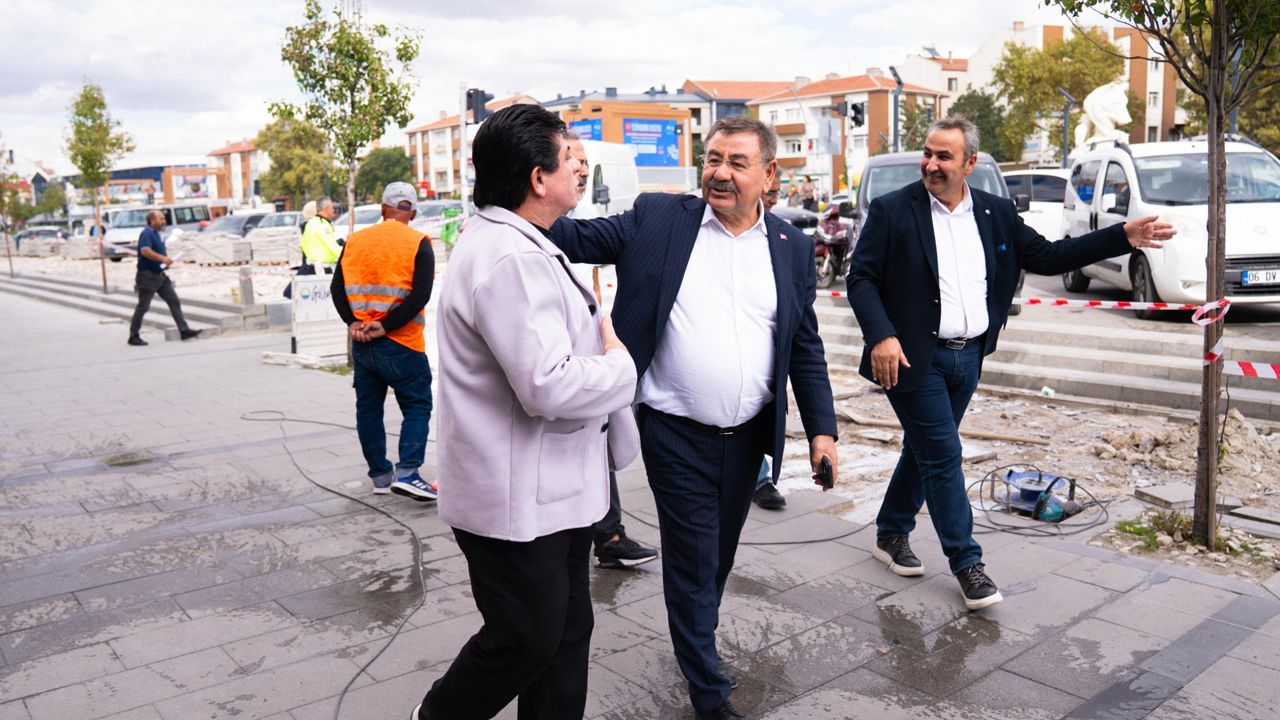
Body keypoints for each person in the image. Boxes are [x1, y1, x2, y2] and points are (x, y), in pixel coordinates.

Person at [551, 115, 839, 720]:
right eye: (712, 160)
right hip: (673, 430)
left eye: (737, 163)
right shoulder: (660, 219)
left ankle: (698, 641)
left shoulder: (789, 249)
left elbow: (803, 346)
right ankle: (708, 687)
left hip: (748, 439)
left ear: (770, 175)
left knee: (719, 557)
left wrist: (822, 432)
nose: (721, 174)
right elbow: (571, 239)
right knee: (693, 559)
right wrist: (524, 179)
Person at [846, 115, 1174, 611]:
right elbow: (861, 278)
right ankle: (966, 562)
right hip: (911, 358)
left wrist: (1120, 237)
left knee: (925, 449)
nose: (931, 165)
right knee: (942, 455)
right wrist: (882, 335)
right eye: (928, 154)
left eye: (944, 157)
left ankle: (890, 531)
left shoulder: (996, 212)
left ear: (970, 164)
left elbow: (1049, 256)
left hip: (970, 354)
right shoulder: (893, 210)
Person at [417, 104, 640, 720]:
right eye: (569, 158)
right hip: (514, 498)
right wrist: (621, 366)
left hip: (556, 490)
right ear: (537, 178)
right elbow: (546, 384)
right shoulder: (507, 257)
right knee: (525, 638)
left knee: (567, 635)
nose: (580, 168)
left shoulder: (523, 243)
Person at [565, 132, 660, 569]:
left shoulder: (589, 216)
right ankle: (603, 534)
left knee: (599, 442)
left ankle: (608, 534)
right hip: (574, 364)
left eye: (587, 161)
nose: (584, 169)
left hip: (595, 352)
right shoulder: (546, 226)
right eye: (573, 159)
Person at [330, 182, 437, 501]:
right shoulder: (419, 242)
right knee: (417, 405)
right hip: (403, 342)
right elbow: (420, 295)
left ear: (381, 210)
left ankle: (380, 476)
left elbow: (337, 289)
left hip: (363, 344)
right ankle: (408, 472)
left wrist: (354, 324)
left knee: (368, 409)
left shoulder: (355, 240)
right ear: (413, 213)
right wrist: (386, 326)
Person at [753, 172, 786, 511]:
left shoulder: (781, 237)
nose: (774, 199)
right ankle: (761, 479)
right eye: (771, 193)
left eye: (778, 193)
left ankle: (760, 476)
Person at [127, 210, 201, 346]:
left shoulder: (157, 234)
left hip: (160, 275)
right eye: (161, 219)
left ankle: (184, 330)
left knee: (174, 300)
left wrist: (164, 264)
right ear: (152, 221)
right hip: (147, 275)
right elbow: (145, 250)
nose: (164, 221)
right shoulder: (147, 233)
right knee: (143, 306)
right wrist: (162, 258)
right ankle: (133, 335)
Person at [300, 196, 341, 274]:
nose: (333, 210)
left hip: (311, 266)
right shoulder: (322, 225)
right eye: (332, 208)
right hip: (321, 268)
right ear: (326, 209)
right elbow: (332, 246)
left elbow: (303, 244)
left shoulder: (311, 223)